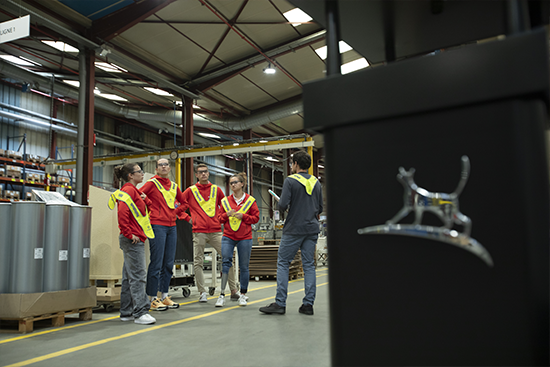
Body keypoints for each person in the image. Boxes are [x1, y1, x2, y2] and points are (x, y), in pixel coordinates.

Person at [260, 150, 323, 315]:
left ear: (295, 164)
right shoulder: (316, 183)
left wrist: (283, 203)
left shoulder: (290, 181)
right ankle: (308, 304)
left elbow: (282, 206)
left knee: (283, 263)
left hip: (294, 228)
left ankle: (280, 303)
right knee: (309, 265)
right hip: (312, 229)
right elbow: (320, 208)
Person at [180, 164, 238, 303]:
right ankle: (202, 292)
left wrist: (223, 218)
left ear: (208, 173)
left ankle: (234, 290)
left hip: (216, 231)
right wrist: (189, 219)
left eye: (205, 172)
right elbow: (178, 206)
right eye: (200, 172)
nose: (204, 174)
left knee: (227, 259)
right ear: (196, 175)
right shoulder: (190, 191)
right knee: (198, 262)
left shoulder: (217, 190)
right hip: (198, 231)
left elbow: (225, 207)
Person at [109, 163, 156, 325]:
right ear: (130, 175)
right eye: (139, 171)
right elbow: (122, 213)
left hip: (134, 237)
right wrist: (130, 234)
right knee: (138, 276)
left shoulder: (134, 191)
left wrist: (146, 199)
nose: (142, 174)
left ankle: (126, 311)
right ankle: (141, 312)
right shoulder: (129, 190)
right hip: (133, 239)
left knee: (129, 277)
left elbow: (146, 211)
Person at [140, 158, 190, 311]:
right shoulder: (152, 183)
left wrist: (175, 212)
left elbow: (185, 203)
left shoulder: (174, 186)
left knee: (168, 263)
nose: (163, 167)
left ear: (169, 168)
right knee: (156, 262)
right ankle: (152, 298)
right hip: (157, 225)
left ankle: (164, 295)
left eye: (166, 164)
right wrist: (149, 203)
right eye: (160, 165)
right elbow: (138, 195)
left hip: (171, 226)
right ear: (156, 169)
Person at [215, 172, 260, 307]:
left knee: (244, 266)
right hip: (228, 236)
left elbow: (256, 218)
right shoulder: (225, 201)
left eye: (235, 182)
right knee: (225, 262)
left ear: (242, 184)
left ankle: (243, 295)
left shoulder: (250, 200)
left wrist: (244, 217)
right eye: (231, 183)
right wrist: (226, 215)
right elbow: (219, 219)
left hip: (245, 237)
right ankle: (222, 294)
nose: (233, 185)